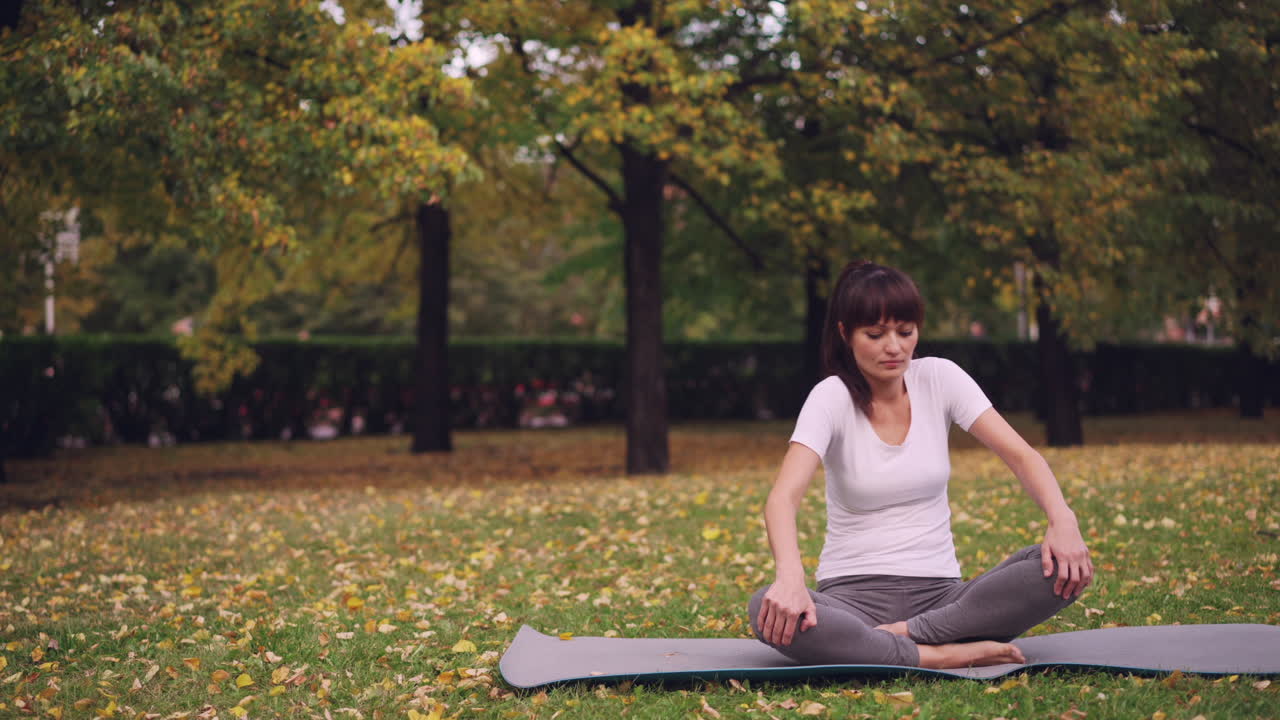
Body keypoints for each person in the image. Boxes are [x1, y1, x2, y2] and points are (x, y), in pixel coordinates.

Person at [748, 261, 1093, 669]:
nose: (893, 347)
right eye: (875, 335)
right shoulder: (831, 397)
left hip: (944, 600)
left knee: (1059, 567)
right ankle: (939, 654)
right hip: (850, 599)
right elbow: (782, 499)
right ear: (845, 334)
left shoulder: (940, 378)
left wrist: (1063, 518)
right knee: (764, 609)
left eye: (905, 331)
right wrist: (791, 578)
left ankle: (906, 639)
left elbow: (1022, 456)